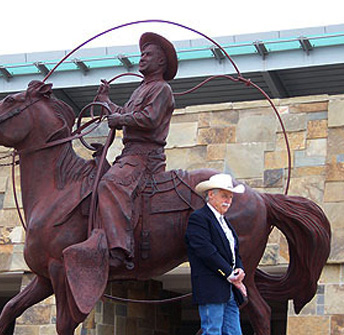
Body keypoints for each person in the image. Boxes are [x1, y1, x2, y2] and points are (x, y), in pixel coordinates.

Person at [95, 32, 178, 269]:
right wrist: (106, 101)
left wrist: (120, 117)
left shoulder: (162, 89)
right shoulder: (141, 89)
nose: (142, 58)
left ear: (160, 62)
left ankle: (120, 249)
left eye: (148, 54)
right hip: (129, 154)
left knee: (110, 184)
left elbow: (149, 118)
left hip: (144, 157)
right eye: (142, 54)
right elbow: (122, 113)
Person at [185, 173, 247, 335]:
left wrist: (239, 269)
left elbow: (234, 252)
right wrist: (229, 273)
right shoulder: (198, 218)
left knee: (234, 333)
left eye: (231, 197)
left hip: (229, 288)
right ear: (211, 195)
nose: (228, 201)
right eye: (224, 196)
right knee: (212, 331)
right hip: (211, 286)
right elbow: (205, 251)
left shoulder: (225, 222)